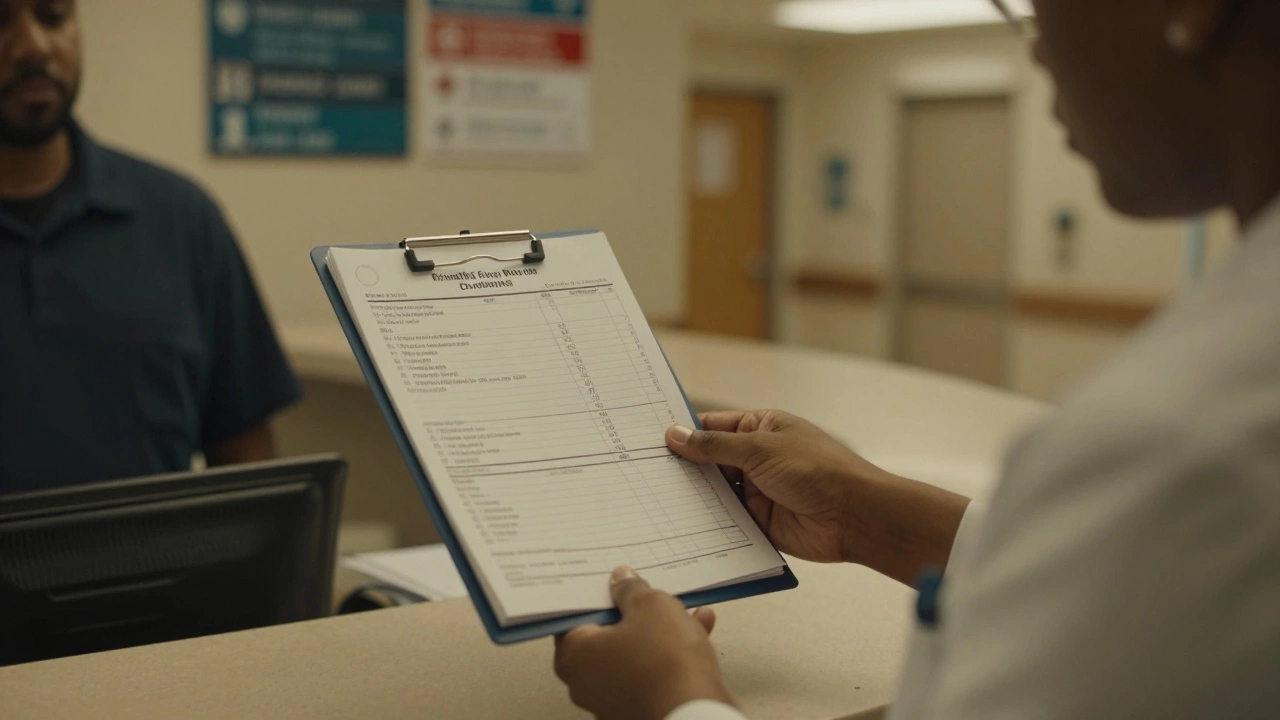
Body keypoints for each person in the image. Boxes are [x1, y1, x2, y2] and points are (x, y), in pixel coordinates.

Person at [553, 0, 1280, 717]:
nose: (1036, 46)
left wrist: (673, 699)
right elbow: (1141, 599)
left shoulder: (1186, 448)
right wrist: (863, 512)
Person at [0, 0, 301, 494]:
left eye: (53, 16)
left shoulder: (182, 219)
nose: (34, 46)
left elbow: (245, 455)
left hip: (158, 571)